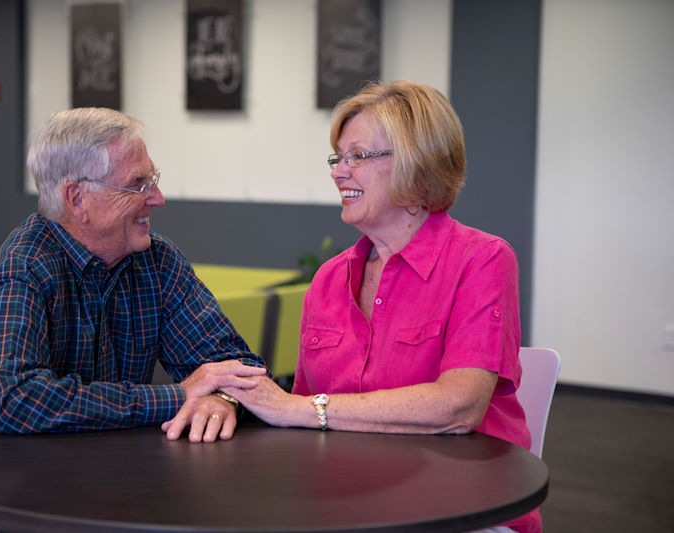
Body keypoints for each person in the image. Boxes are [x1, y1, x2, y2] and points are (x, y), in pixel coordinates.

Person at [0, 107, 266, 532]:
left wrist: (220, 398)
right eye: (138, 184)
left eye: (153, 179)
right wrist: (178, 396)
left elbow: (236, 365)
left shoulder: (157, 263)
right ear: (77, 199)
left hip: (101, 478)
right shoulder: (25, 268)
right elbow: (9, 401)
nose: (157, 197)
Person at [223, 80, 539, 533]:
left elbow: (458, 408)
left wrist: (304, 411)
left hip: (462, 507)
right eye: (338, 158)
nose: (338, 172)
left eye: (358, 156)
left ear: (416, 163)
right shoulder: (330, 279)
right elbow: (300, 416)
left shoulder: (482, 260)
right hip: (349, 501)